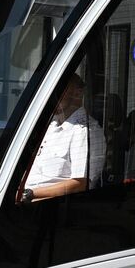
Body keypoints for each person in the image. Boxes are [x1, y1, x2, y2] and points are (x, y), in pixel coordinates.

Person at [17, 72, 95, 204]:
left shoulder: (83, 131)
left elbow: (80, 183)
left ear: (77, 93)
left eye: (58, 92)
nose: (51, 98)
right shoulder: (51, 125)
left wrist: (29, 194)